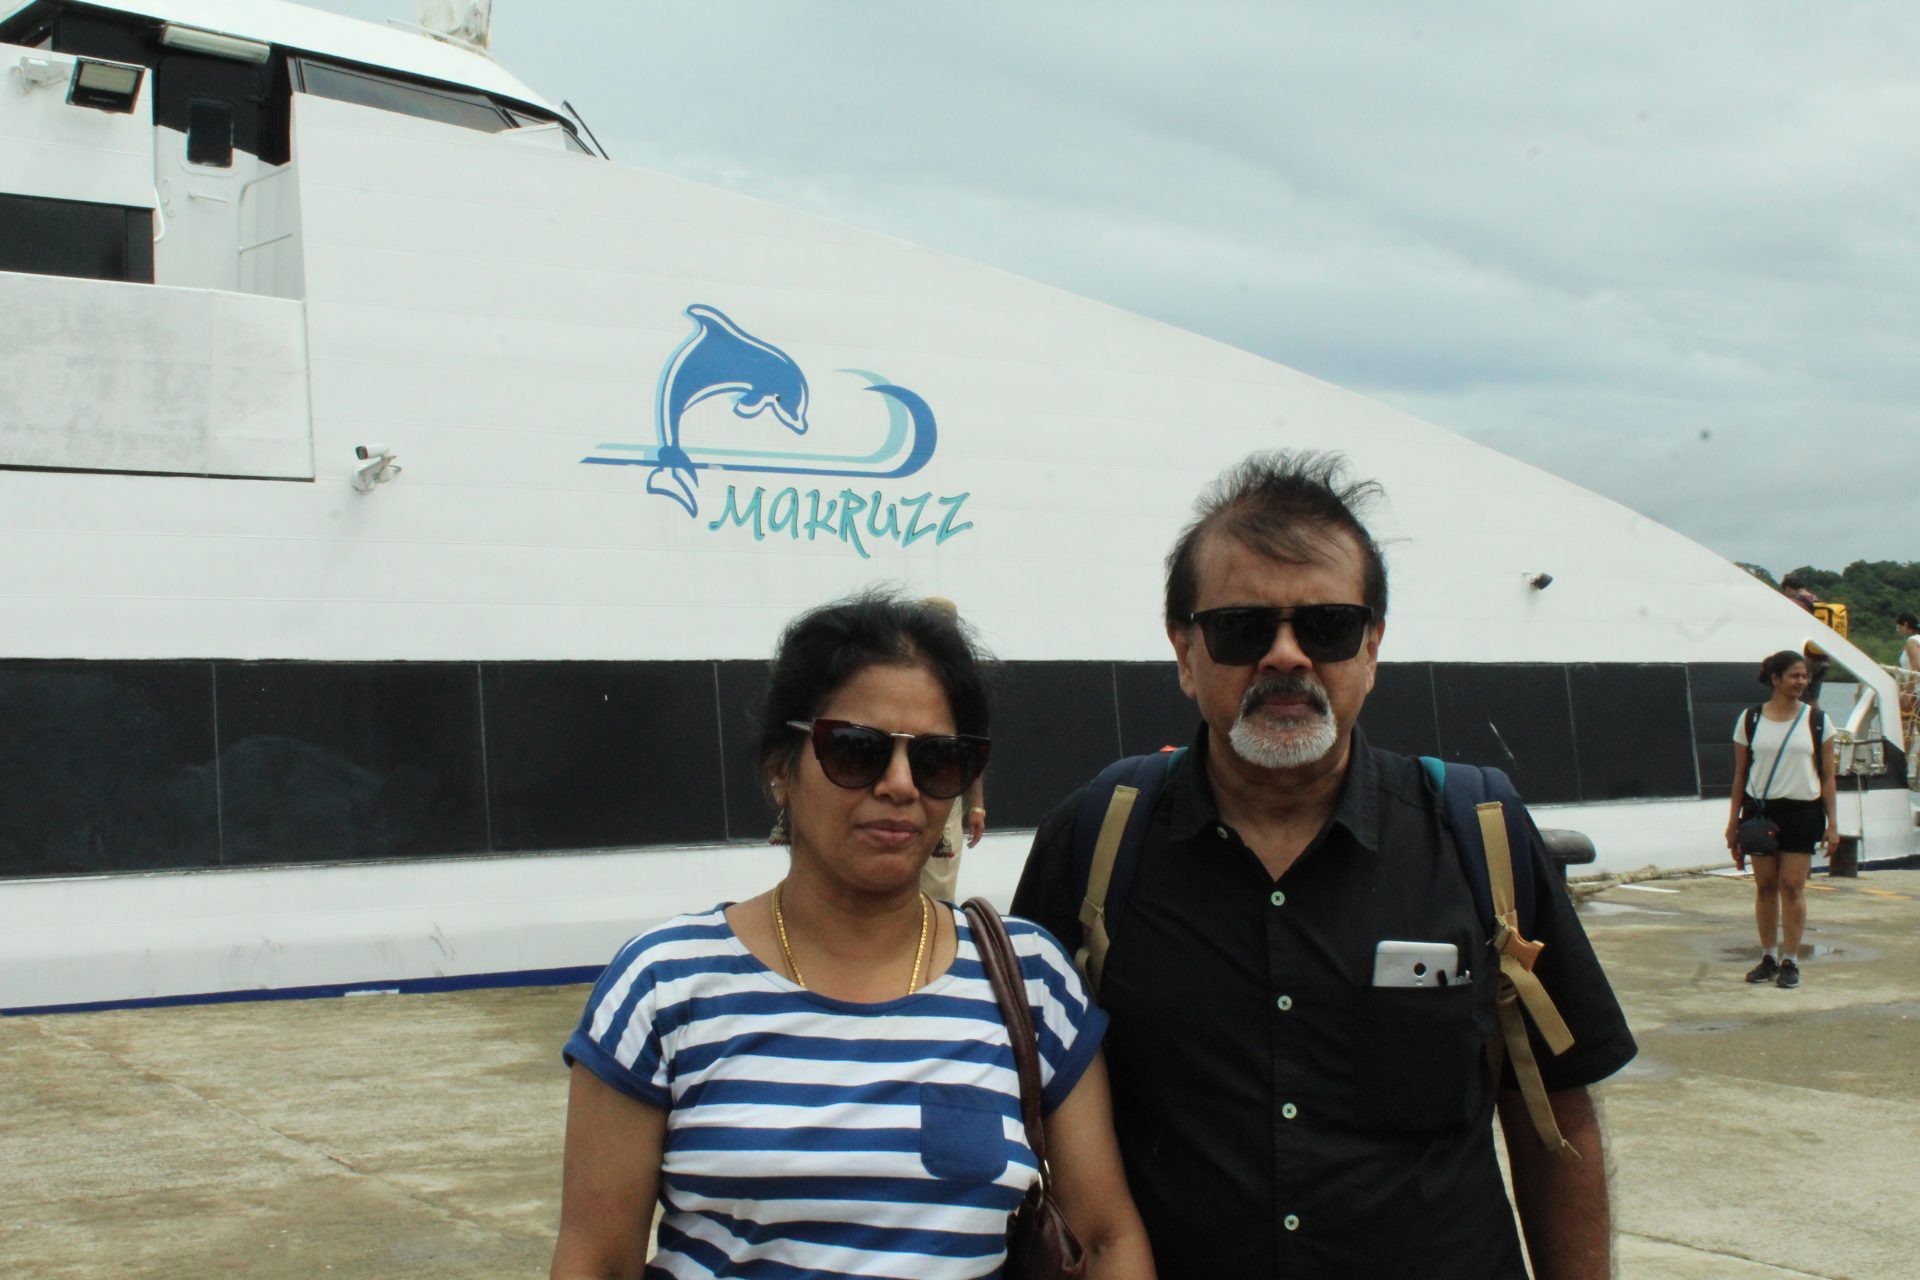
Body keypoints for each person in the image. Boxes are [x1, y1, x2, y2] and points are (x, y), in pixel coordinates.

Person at [1012, 451, 1636, 1280]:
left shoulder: (1479, 837)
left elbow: (1556, 1119)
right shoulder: (1095, 841)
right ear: (1184, 651)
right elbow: (1024, 1118)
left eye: (1328, 626)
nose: (1286, 656)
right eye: (1243, 628)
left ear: (1372, 647)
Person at [551, 591, 1155, 1280]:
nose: (900, 785)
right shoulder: (665, 986)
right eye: (857, 750)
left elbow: (1105, 1238)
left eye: (937, 760)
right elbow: (597, 1259)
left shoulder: (1030, 980)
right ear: (781, 768)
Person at [1727, 649, 1839, 991]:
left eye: (1804, 676)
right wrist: (1733, 822)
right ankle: (1768, 956)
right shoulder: (1751, 720)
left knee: (1792, 885)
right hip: (1761, 810)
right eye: (1794, 676)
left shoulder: (1817, 721)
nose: (1801, 682)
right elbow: (1740, 774)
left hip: (1803, 811)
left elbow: (1828, 777)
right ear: (1775, 679)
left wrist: (1833, 824)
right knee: (1765, 886)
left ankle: (1791, 959)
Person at [918, 597, 988, 903]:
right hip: (902, 778)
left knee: (939, 877)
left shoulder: (962, 680)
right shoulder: (902, 667)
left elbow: (973, 742)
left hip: (944, 783)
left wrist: (977, 805)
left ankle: (933, 926)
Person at [1898, 613, 1920, 826]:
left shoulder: (1912, 641)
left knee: (1905, 731)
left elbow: (1916, 667)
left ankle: (1902, 770)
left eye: (1899, 627)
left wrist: (1907, 691)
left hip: (1916, 694)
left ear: (1906, 625)